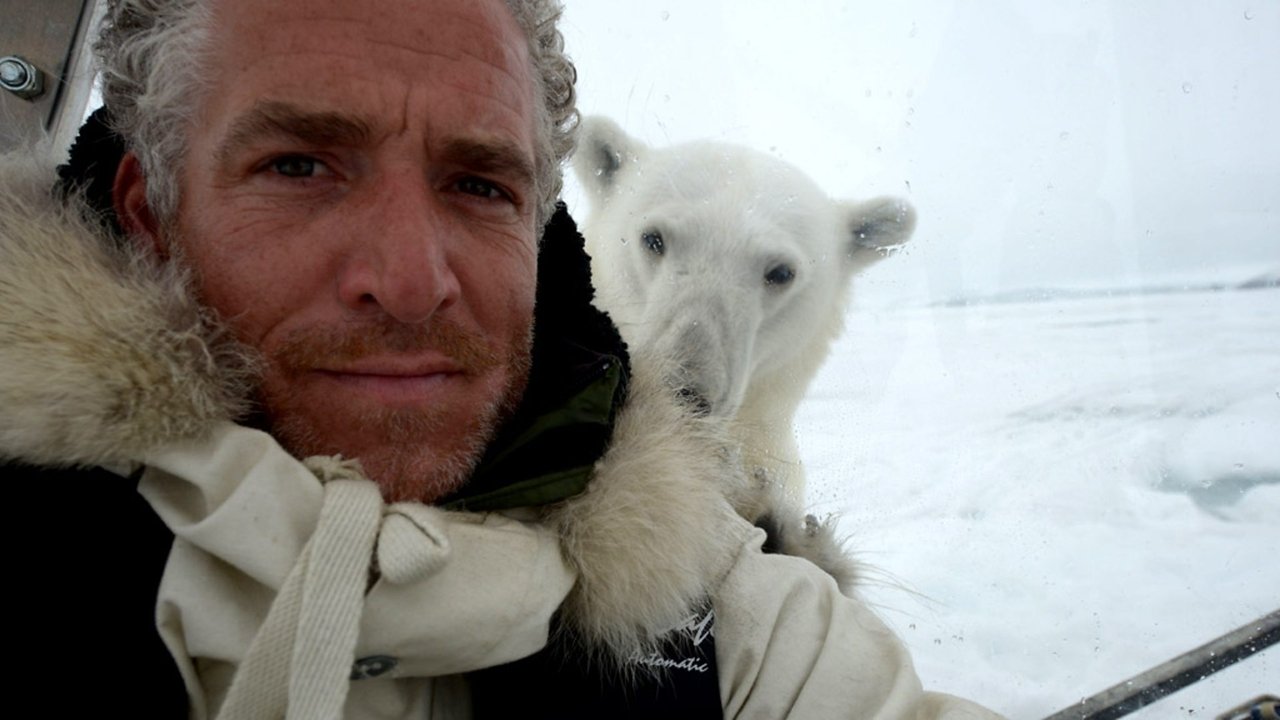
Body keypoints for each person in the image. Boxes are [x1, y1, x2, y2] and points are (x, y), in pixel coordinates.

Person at [0, 0, 1003, 717]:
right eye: (299, 165)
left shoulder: (721, 625)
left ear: (537, 230)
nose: (409, 279)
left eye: (477, 183)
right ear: (148, 207)